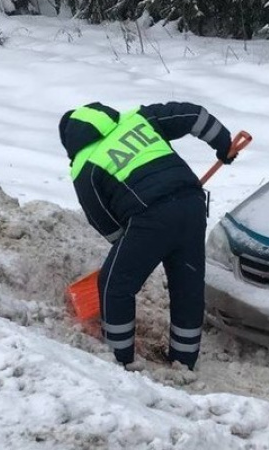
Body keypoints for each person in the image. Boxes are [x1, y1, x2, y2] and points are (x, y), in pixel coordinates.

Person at [59, 101, 235, 370]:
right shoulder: (137, 119)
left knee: (114, 285)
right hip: (191, 204)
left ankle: (118, 360)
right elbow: (192, 115)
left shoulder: (85, 165)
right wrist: (223, 143)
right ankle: (183, 361)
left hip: (149, 218)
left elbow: (103, 222)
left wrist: (132, 246)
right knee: (186, 284)